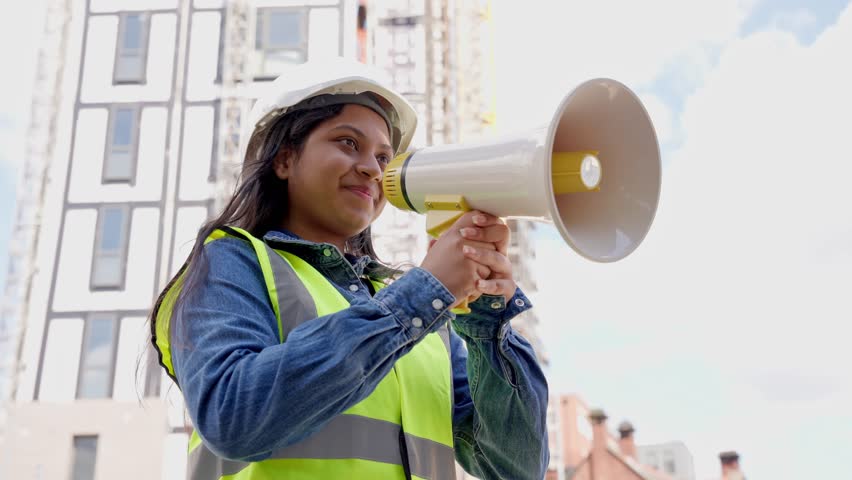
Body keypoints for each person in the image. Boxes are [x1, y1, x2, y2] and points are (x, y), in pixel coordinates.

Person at [150, 59, 549, 480]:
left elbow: (515, 469)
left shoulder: (422, 318)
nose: (373, 169)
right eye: (347, 143)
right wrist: (422, 294)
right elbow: (232, 419)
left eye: (383, 157)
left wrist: (488, 320)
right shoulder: (234, 262)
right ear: (284, 160)